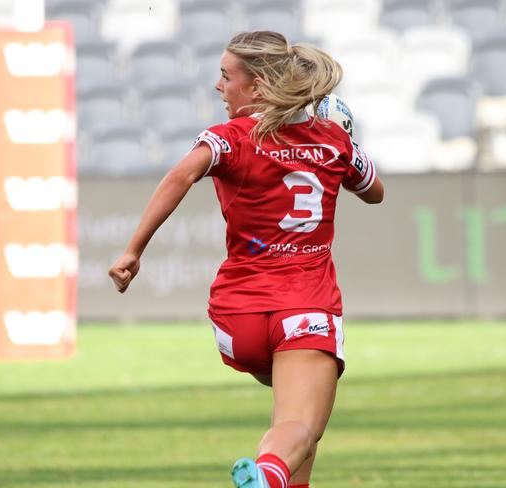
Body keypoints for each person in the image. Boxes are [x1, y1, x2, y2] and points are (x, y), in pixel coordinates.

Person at [108, 30, 384, 488]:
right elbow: (374, 193)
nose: (219, 87)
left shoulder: (230, 138)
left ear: (256, 87)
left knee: (295, 424)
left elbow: (181, 175)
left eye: (225, 76)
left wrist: (134, 250)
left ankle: (277, 474)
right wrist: (347, 139)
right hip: (305, 308)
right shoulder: (331, 140)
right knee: (301, 426)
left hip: (238, 317)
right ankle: (268, 477)